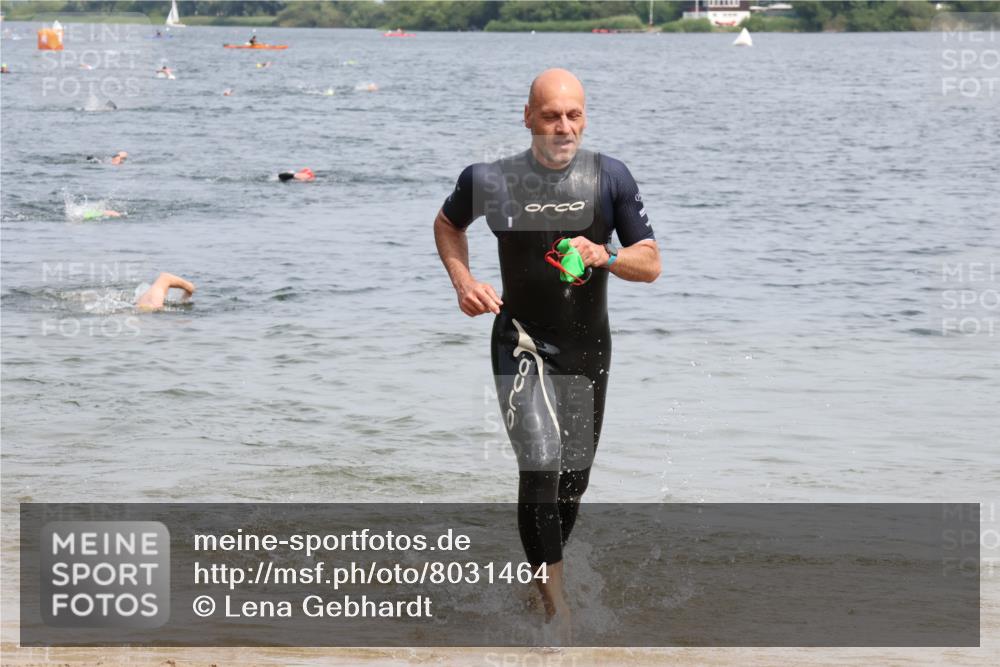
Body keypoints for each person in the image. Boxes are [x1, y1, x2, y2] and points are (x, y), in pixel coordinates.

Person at [433, 68, 660, 640]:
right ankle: (558, 609)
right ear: (529, 117)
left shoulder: (610, 178)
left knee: (571, 483)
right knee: (540, 461)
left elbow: (651, 263)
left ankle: (540, 581)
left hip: (587, 349)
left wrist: (604, 254)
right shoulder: (490, 179)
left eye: (574, 115)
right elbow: (446, 224)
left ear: (585, 116)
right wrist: (463, 281)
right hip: (521, 340)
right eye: (552, 115)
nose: (564, 127)